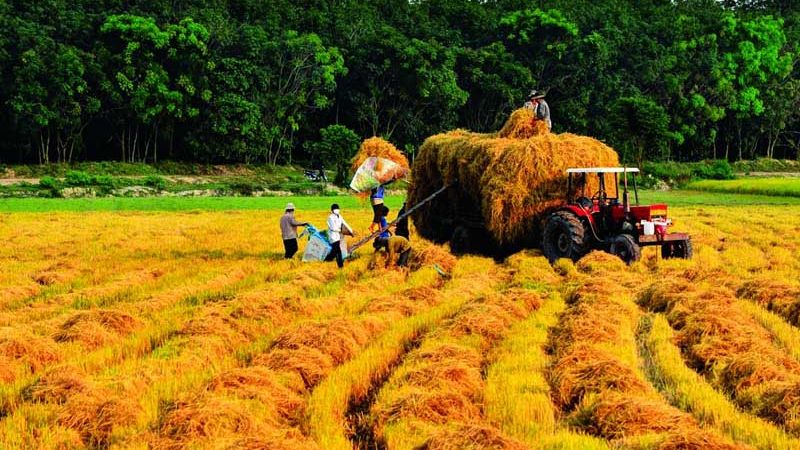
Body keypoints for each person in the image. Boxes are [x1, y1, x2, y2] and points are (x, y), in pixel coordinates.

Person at [327, 203, 354, 268]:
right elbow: (333, 228)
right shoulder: (330, 217)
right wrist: (340, 230)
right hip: (333, 236)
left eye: (337, 209)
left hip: (338, 236)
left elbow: (345, 223)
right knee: (338, 251)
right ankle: (340, 266)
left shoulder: (340, 216)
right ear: (332, 210)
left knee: (334, 251)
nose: (336, 210)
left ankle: (328, 259)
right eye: (335, 209)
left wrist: (351, 231)